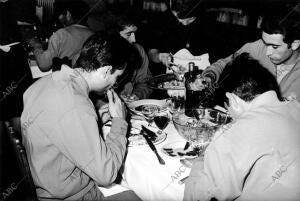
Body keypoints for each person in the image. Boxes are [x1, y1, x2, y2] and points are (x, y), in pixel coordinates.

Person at [21, 33, 141, 201]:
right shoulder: (76, 105)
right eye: (116, 78)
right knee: (138, 194)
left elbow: (60, 126)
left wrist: (96, 119)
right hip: (72, 195)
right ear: (106, 71)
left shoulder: (44, 83)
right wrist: (119, 123)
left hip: (47, 179)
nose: (114, 84)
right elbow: (107, 175)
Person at [184, 53, 300, 201]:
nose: (230, 116)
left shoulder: (239, 131)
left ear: (233, 100)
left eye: (228, 109)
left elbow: (196, 197)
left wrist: (203, 158)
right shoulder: (295, 106)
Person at [195, 5, 300, 101]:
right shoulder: (259, 47)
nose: (268, 52)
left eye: (275, 47)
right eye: (266, 43)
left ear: (295, 43)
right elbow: (225, 64)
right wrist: (209, 77)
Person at [28, 0, 94, 72]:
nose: (59, 19)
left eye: (60, 14)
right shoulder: (94, 35)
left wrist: (36, 45)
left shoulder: (61, 34)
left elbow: (44, 65)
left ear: (68, 14)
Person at [105, 12, 152, 99]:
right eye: (128, 34)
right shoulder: (99, 53)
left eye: (134, 33)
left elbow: (145, 82)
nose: (134, 39)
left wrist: (137, 95)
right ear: (114, 34)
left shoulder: (138, 51)